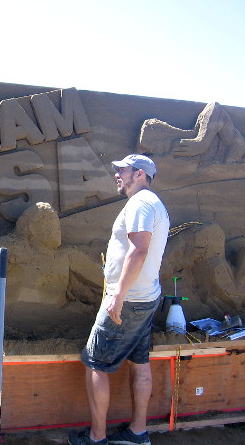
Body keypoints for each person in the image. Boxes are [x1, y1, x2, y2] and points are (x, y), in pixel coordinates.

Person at [68, 154, 170, 445]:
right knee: (139, 362)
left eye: (121, 170)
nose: (116, 174)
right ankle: (137, 433)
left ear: (138, 174)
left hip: (129, 301)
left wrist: (118, 296)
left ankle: (96, 437)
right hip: (145, 297)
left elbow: (139, 250)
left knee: (95, 364)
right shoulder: (152, 203)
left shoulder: (140, 203)